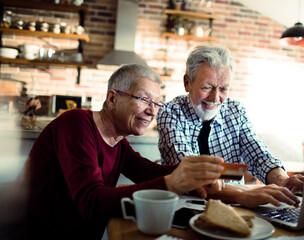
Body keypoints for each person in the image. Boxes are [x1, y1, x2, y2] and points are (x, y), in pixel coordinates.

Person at [0, 64, 225, 239]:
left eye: (157, 104)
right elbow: (91, 202)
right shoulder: (77, 122)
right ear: (112, 98)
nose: (152, 111)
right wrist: (172, 182)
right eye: (144, 99)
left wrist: (194, 173)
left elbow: (149, 172)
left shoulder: (118, 143)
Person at [156, 45, 304, 207]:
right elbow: (190, 176)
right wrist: (244, 194)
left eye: (223, 89)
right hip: (185, 205)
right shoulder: (170, 113)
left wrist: (283, 181)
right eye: (207, 87)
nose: (215, 97)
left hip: (235, 206)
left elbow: (258, 156)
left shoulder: (236, 110)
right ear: (187, 83)